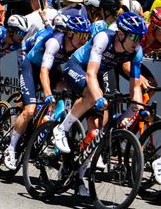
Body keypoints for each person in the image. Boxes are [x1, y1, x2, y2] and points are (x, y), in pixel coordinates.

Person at [53, 12, 147, 195]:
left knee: (96, 131)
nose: (138, 41)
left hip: (97, 74)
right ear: (121, 34)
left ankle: (78, 177)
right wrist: (98, 97)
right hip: (77, 67)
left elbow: (135, 86)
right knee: (91, 95)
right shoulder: (104, 38)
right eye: (134, 36)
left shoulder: (136, 51)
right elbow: (90, 73)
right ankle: (61, 128)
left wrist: (135, 108)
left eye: (141, 37)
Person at [1, 15, 90, 170]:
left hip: (53, 70)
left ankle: (50, 126)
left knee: (66, 89)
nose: (84, 40)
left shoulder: (78, 48)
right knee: (30, 110)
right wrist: (48, 94)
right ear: (69, 33)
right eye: (81, 35)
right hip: (32, 68)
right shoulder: (54, 42)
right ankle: (11, 148)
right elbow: (43, 71)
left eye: (86, 36)